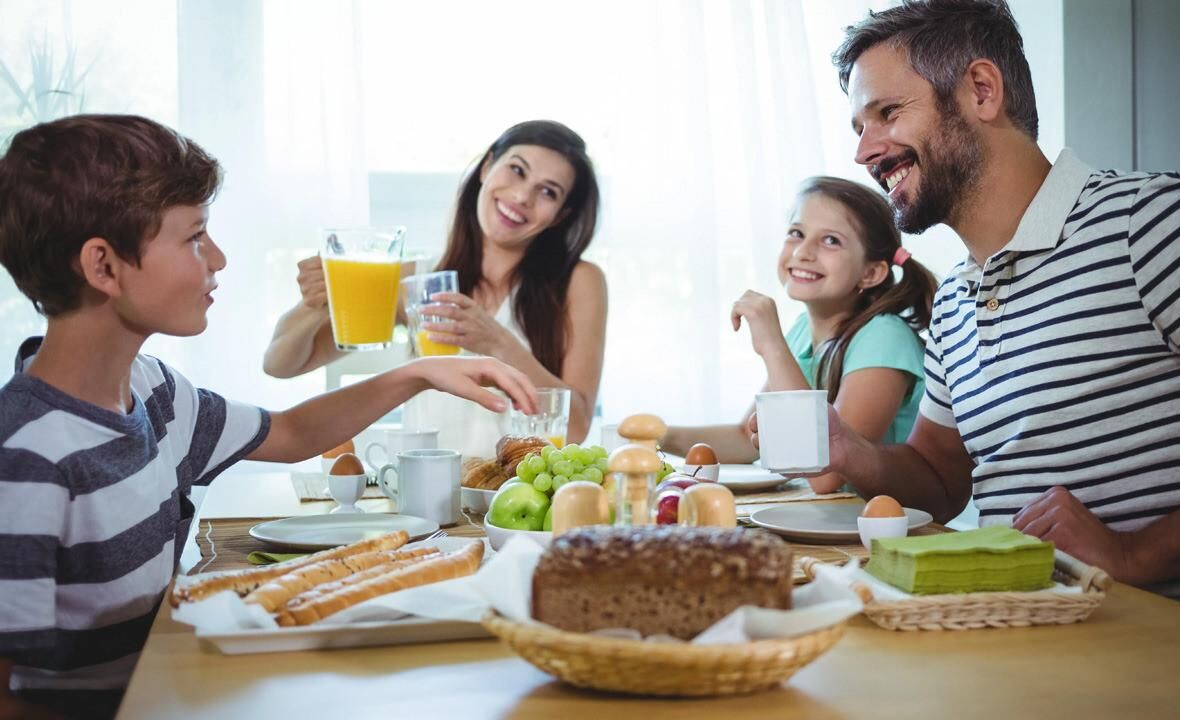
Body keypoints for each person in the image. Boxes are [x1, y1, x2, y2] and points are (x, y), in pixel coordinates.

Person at [750, 0, 1180, 629]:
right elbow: (938, 479)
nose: (865, 151)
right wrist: (851, 451)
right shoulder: (954, 301)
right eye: (859, 127)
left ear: (981, 89)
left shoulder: (1153, 224)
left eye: (888, 113)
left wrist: (1135, 553)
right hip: (1032, 643)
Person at [0, 114, 538, 719]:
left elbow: (290, 433)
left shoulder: (155, 392)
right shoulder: (24, 456)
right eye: (195, 238)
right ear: (103, 267)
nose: (219, 259)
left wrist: (417, 372)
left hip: (172, 685)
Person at [262, 120, 606, 456]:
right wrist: (316, 304)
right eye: (517, 170)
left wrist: (498, 342)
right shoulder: (417, 281)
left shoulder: (579, 282)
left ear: (561, 214)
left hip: (519, 499)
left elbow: (575, 426)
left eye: (548, 192)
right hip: (426, 496)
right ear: (487, 167)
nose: (521, 196)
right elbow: (281, 364)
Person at [664, 177, 935, 493]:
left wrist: (771, 344)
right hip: (825, 523)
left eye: (831, 240)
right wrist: (659, 435)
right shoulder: (802, 332)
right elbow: (745, 439)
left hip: (877, 533)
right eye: (796, 233)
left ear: (871, 273)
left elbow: (825, 475)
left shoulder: (885, 338)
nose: (804, 252)